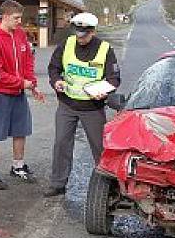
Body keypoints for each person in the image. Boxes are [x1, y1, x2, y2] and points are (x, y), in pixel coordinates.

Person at [44, 12, 121, 197]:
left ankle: (109, 188)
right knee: (61, 143)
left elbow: (114, 78)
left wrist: (106, 91)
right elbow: (54, 68)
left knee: (100, 148)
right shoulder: (67, 44)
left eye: (84, 34)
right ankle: (58, 183)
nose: (81, 38)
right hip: (67, 104)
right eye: (78, 33)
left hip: (92, 108)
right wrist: (56, 82)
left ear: (93, 32)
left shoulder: (105, 49)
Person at [0, 0, 45, 190]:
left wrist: (32, 84)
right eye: (17, 18)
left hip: (19, 93)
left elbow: (27, 61)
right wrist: (21, 82)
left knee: (20, 130)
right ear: (6, 16)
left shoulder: (20, 35)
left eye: (21, 18)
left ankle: (18, 166)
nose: (20, 22)